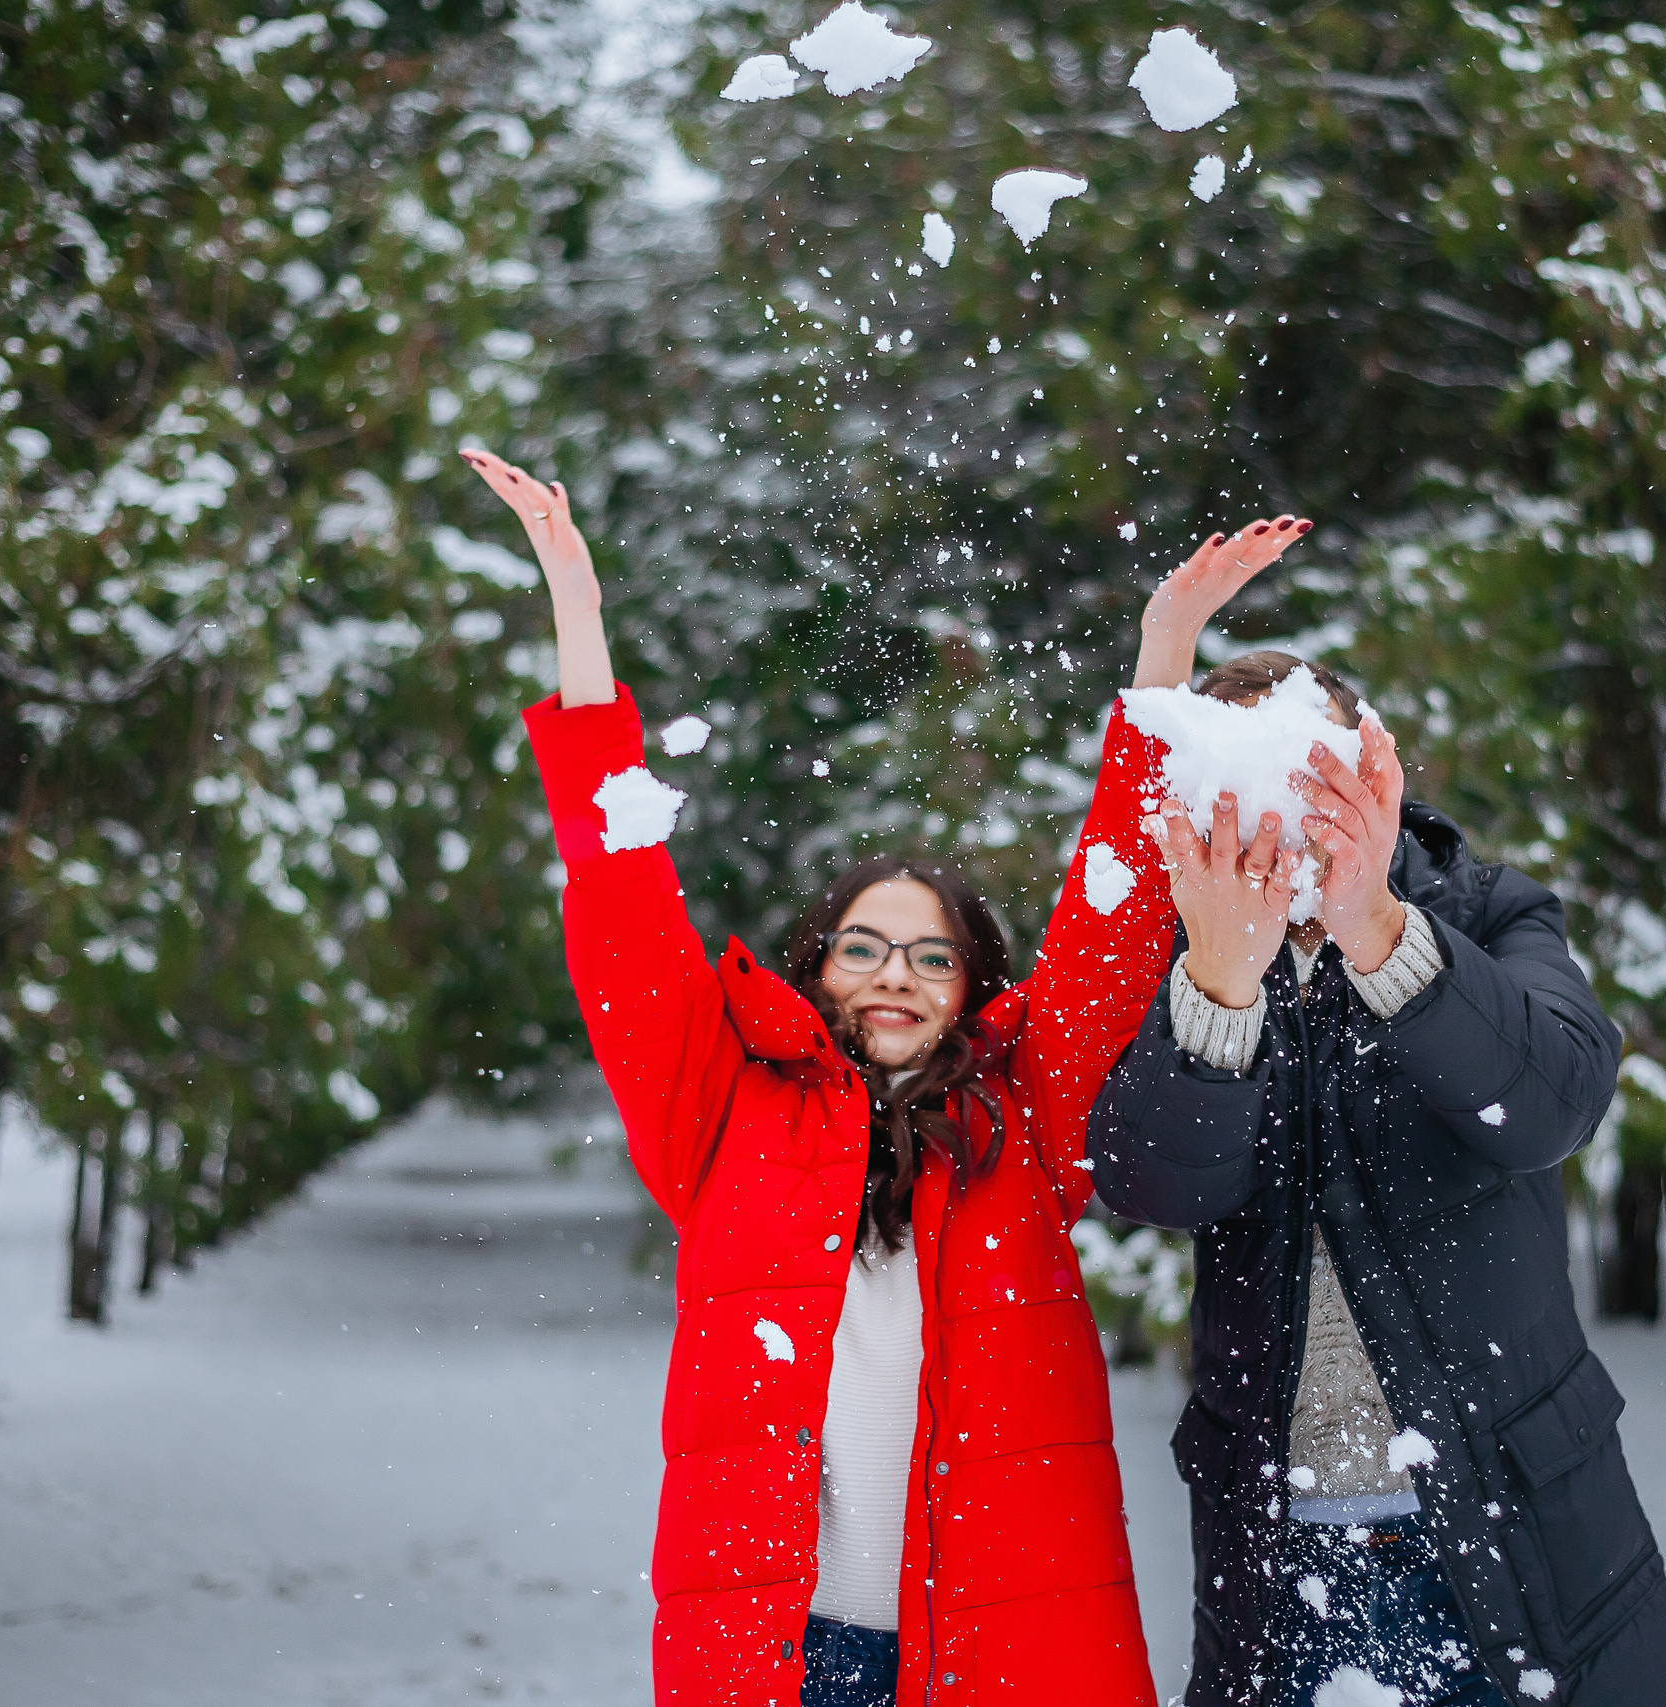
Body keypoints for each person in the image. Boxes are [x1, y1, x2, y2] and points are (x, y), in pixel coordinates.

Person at [463, 445, 1311, 1707]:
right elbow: (624, 913)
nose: (895, 976)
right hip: (780, 1654)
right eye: (863, 949)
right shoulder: (723, 1114)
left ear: (971, 986)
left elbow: (1111, 921)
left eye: (930, 954)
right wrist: (576, 608)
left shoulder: (1024, 1117)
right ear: (817, 970)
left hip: (989, 1644)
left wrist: (1166, 648)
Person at [1090, 651, 1666, 1707]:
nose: (1274, 823)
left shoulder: (1484, 911)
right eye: (1232, 788)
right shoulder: (1177, 953)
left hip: (1520, 1531)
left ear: (1366, 768)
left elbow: (1552, 1106)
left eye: (1303, 777)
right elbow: (1153, 1187)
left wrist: (1377, 931)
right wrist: (1222, 990)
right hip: (1278, 1560)